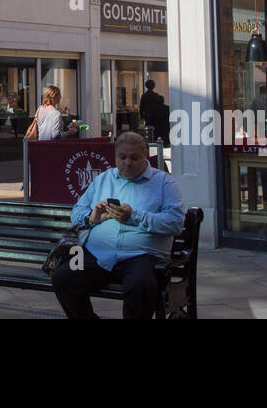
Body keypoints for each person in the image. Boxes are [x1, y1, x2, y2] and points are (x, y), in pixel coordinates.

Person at [52, 132, 184, 319]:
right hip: (95, 253)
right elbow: (76, 211)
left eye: (134, 158)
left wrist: (135, 216)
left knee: (141, 286)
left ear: (145, 154)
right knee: (62, 276)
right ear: (115, 156)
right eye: (122, 157)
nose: (127, 163)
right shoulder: (104, 179)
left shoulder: (164, 182)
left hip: (140, 255)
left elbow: (175, 223)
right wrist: (91, 217)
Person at [139, 79, 170, 145]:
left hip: (149, 117)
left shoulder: (144, 96)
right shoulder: (156, 96)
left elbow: (141, 107)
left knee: (149, 131)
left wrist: (142, 116)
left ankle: (150, 141)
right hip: (155, 117)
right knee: (155, 130)